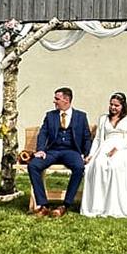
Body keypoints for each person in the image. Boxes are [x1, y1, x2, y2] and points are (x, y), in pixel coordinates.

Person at [28, 87, 93, 217]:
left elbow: (86, 137)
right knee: (33, 165)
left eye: (57, 99)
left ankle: (65, 205)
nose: (54, 101)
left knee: (79, 167)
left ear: (66, 100)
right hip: (52, 151)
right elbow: (43, 133)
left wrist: (86, 155)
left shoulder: (81, 116)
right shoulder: (50, 115)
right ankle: (43, 205)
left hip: (71, 151)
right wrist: (40, 150)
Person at [80, 92, 127, 218]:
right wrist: (91, 155)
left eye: (116, 105)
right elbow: (97, 139)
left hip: (123, 149)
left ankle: (115, 205)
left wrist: (117, 148)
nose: (113, 107)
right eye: (111, 104)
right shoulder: (103, 119)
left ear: (123, 106)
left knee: (116, 168)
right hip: (104, 148)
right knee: (97, 167)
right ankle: (99, 206)